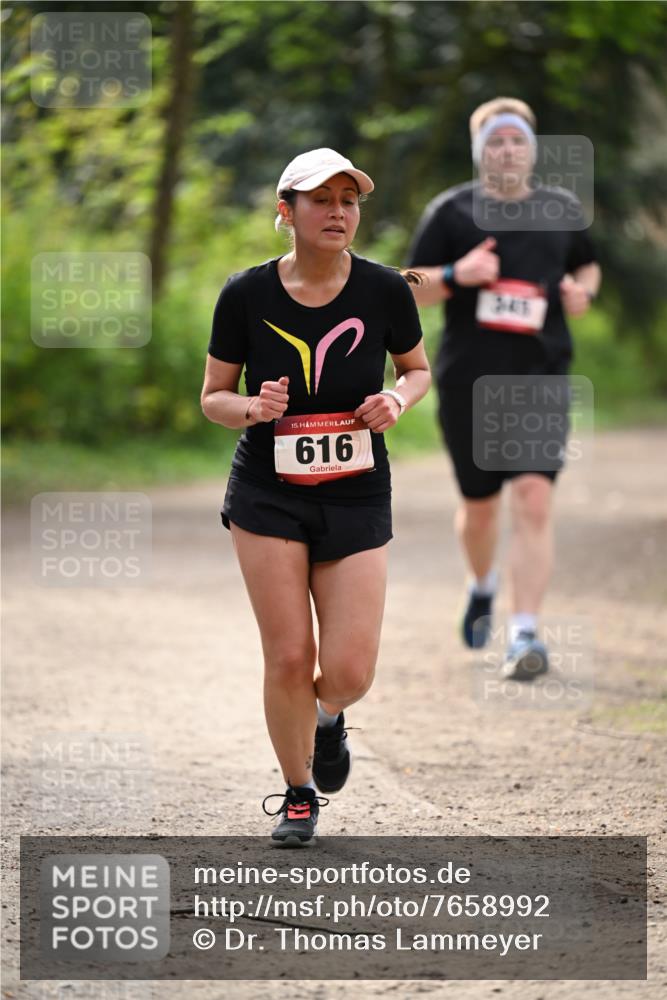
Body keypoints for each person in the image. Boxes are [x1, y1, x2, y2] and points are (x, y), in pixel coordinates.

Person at [201, 148, 431, 844]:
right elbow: (212, 397)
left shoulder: (385, 289)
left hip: (356, 491)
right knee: (289, 659)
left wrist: (396, 399)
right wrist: (251, 409)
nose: (337, 212)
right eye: (320, 200)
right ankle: (298, 792)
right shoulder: (245, 294)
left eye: (348, 200)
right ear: (286, 211)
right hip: (268, 492)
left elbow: (416, 371)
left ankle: (328, 721)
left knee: (351, 670)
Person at [407, 98, 601, 680]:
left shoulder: (561, 209)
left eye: (517, 140)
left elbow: (588, 265)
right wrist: (452, 276)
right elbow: (404, 286)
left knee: (535, 500)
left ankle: (524, 635)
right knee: (479, 507)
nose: (507, 150)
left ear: (531, 149)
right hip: (469, 380)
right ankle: (482, 583)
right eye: (495, 141)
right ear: (479, 152)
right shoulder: (452, 212)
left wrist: (580, 292)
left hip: (541, 378)